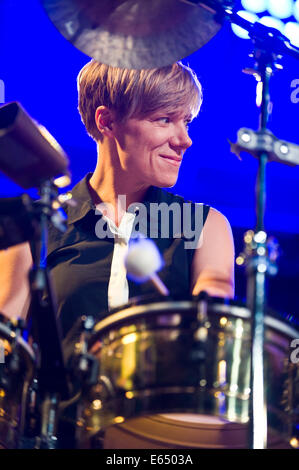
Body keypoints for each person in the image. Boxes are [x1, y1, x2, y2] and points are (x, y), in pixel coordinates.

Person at [0, 59, 234, 334]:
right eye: (165, 119)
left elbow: (216, 328)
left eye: (186, 122)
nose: (184, 140)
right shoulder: (36, 227)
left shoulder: (206, 225)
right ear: (107, 121)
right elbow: (5, 346)